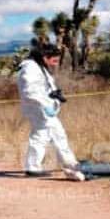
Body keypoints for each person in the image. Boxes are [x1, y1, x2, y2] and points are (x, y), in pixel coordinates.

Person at [17, 44, 85, 181]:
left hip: (43, 108)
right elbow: (29, 91)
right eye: (54, 59)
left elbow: (41, 87)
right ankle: (37, 167)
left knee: (50, 135)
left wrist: (53, 95)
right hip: (38, 109)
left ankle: (67, 163)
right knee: (48, 135)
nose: (56, 62)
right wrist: (46, 102)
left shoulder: (38, 67)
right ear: (44, 57)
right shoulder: (30, 68)